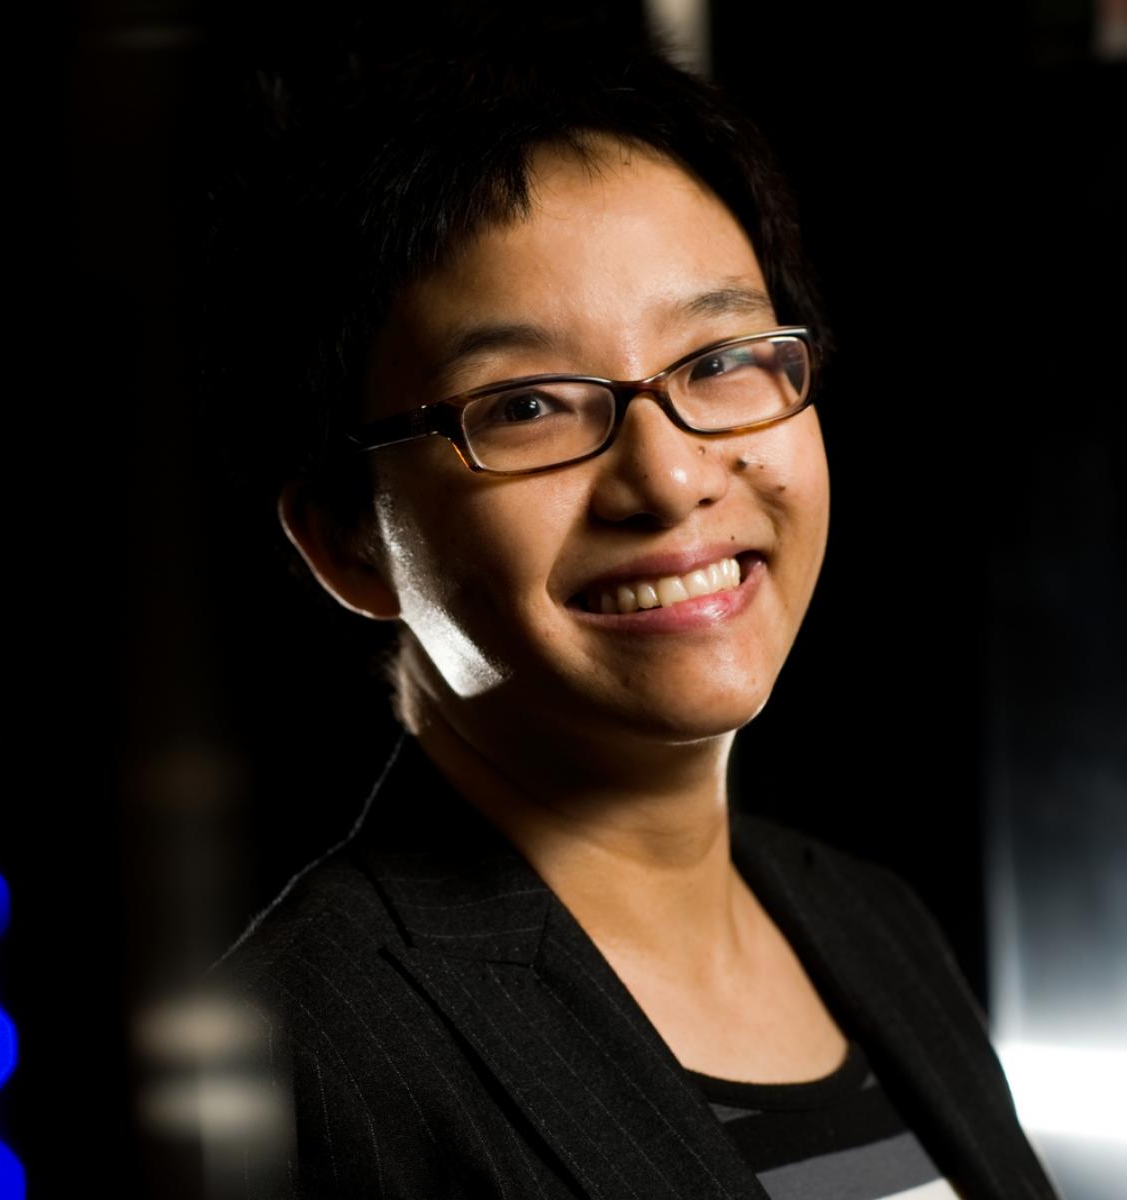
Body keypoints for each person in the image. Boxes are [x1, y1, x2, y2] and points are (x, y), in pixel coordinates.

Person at [197, 14, 1059, 1200]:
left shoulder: (867, 921)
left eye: (718, 360)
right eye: (527, 406)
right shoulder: (308, 1051)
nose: (669, 477)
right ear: (350, 544)